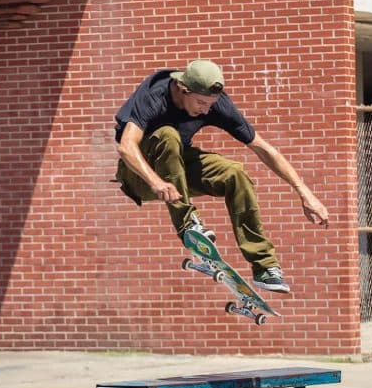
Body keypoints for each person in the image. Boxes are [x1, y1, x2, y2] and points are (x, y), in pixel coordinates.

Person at [113, 59, 329, 293]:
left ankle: (264, 266)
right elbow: (126, 147)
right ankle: (188, 227)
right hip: (138, 175)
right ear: (183, 89)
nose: (206, 110)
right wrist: (155, 181)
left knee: (234, 173)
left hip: (177, 167)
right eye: (201, 102)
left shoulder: (217, 105)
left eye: (210, 104)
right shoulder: (155, 96)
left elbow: (265, 149)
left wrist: (305, 193)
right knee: (168, 135)